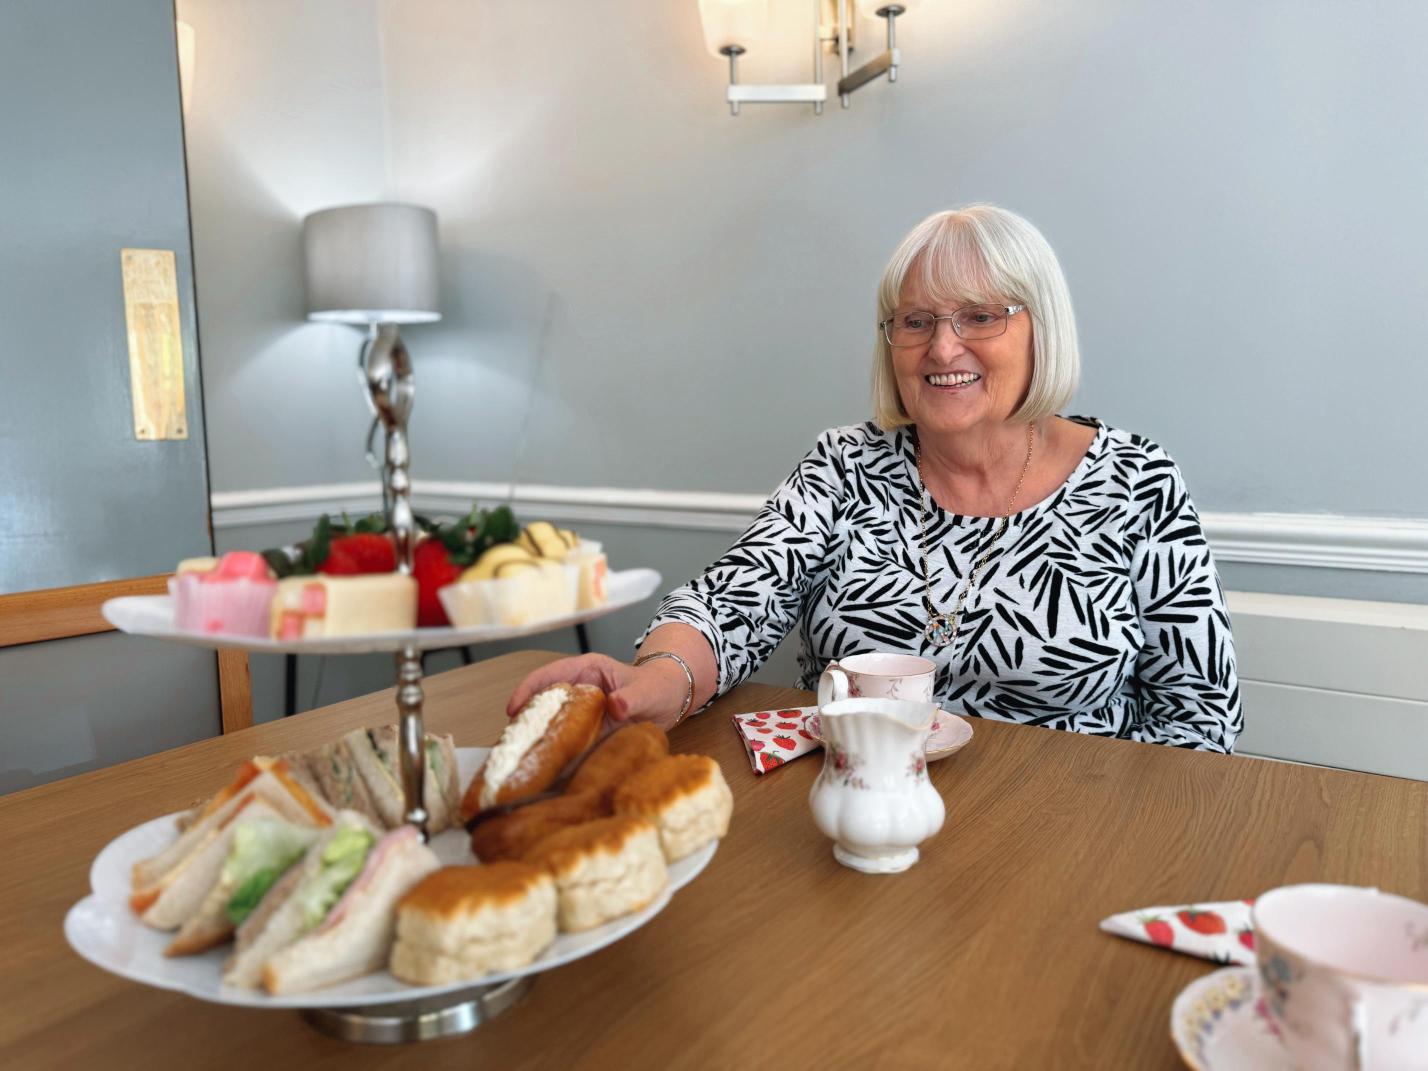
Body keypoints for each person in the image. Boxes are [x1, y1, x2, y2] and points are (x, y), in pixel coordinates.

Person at [509, 205, 1242, 752]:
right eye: (914, 320)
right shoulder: (843, 466)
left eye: (979, 315)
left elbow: (1200, 717)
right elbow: (734, 600)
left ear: (1040, 328)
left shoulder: (1137, 479)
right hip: (853, 810)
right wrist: (656, 680)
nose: (942, 345)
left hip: (1066, 833)